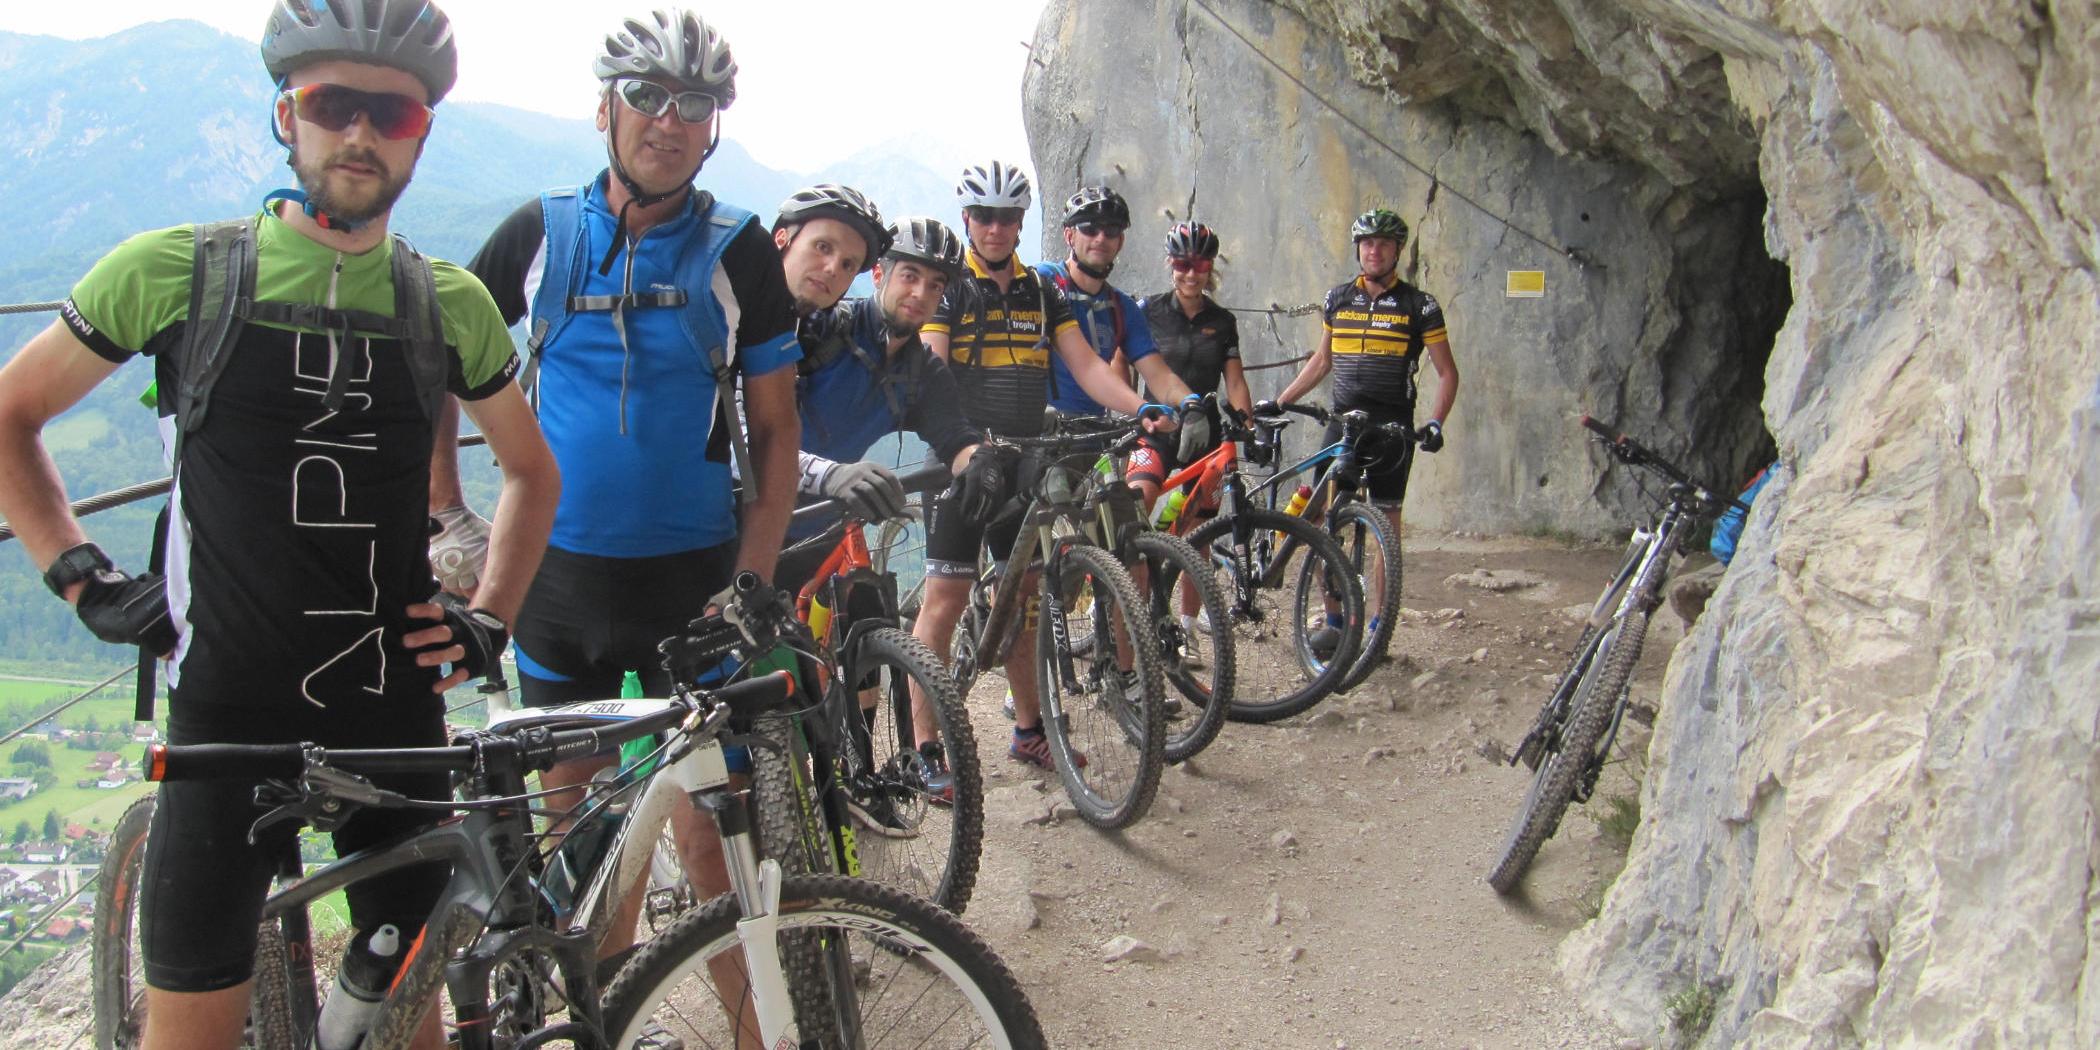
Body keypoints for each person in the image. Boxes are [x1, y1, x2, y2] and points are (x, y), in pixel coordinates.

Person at [0, 4, 559, 1050]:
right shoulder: (179, 271)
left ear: (420, 131)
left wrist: (491, 618)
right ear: (283, 115)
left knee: (407, 1019)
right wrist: (78, 574)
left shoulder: (449, 304)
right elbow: (11, 415)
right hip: (224, 715)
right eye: (329, 104)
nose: (359, 133)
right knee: (192, 1024)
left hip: (392, 706)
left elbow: (530, 472)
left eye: (388, 110)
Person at [425, 5, 800, 954]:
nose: (669, 120)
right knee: (581, 848)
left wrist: (751, 583)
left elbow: (778, 426)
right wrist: (447, 514)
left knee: (716, 847)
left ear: (714, 127)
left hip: (697, 585)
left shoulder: (741, 248)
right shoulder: (539, 232)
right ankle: (609, 1014)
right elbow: (435, 362)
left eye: (695, 103)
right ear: (604, 110)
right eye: (647, 95)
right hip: (557, 584)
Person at [913, 161, 1207, 770]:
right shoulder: (952, 287)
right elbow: (932, 373)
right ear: (967, 220)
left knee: (1023, 595)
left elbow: (1088, 367)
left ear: (1022, 223)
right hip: (963, 462)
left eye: (1007, 217)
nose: (995, 227)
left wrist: (1143, 408)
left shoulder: (1040, 292)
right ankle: (924, 749)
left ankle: (1029, 730)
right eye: (984, 216)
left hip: (1025, 457)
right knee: (944, 597)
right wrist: (967, 448)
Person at [776, 217, 1001, 803]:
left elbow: (954, 436)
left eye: (935, 285)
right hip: (763, 514)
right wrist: (830, 474)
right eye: (910, 276)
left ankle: (861, 761)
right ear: (880, 274)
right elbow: (756, 428)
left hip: (830, 514)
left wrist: (979, 463)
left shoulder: (923, 371)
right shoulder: (821, 332)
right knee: (772, 658)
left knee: (870, 611)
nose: (920, 294)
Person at [1275, 207, 1456, 652]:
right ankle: (1334, 620)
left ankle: (1378, 628)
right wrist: (1281, 400)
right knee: (1320, 520)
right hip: (1342, 426)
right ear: (1359, 249)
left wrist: (1434, 423)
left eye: (1384, 243)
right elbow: (1322, 361)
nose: (1374, 250)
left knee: (1385, 530)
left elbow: (1447, 373)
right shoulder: (1338, 299)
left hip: (1392, 429)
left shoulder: (1420, 305)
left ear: (1397, 251)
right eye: (1367, 243)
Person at [1136, 221, 1253, 642]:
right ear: (1171, 263)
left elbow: (1235, 381)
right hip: (1155, 429)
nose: (1191, 273)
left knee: (1199, 532)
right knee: (1138, 505)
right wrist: (1123, 414)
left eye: (1199, 264)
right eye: (1183, 263)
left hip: (1206, 435)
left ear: (1209, 267)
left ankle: (1184, 628)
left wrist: (1246, 426)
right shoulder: (1146, 310)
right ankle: (1123, 599)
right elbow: (1119, 364)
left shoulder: (1222, 322)